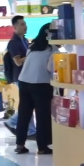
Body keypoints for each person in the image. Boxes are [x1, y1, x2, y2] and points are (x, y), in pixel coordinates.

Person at [15, 24, 55, 155]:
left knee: (24, 114)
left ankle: (20, 145)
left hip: (24, 82)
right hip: (41, 84)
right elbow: (51, 68)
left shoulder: (32, 46)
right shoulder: (52, 49)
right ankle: (42, 147)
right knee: (42, 116)